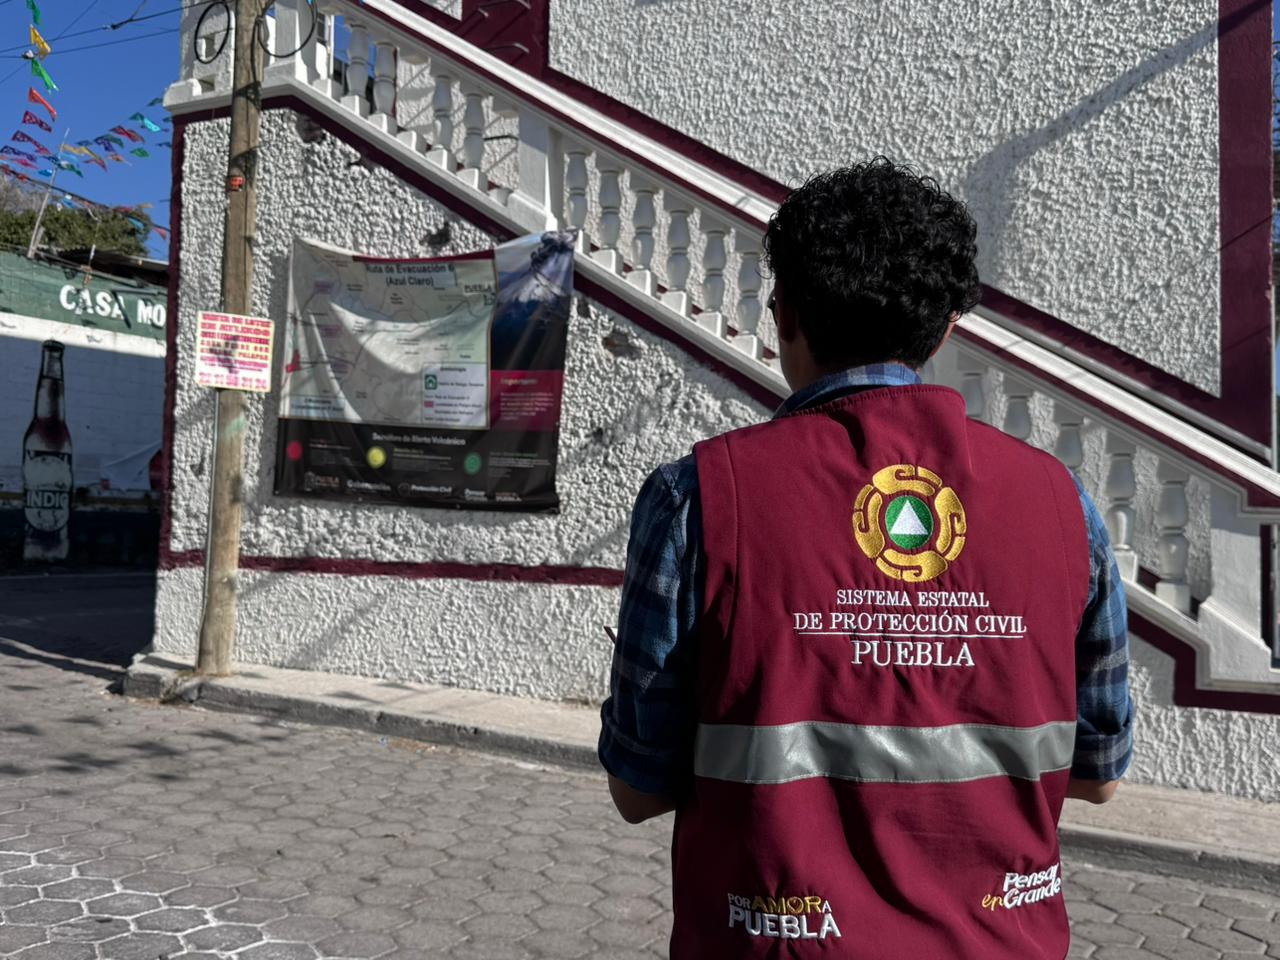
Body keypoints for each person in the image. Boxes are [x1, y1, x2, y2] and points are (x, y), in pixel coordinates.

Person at [598, 158, 1133, 959]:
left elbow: (638, 789)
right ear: (945, 329)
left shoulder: (697, 499)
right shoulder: (1066, 508)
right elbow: (1098, 775)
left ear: (785, 314)